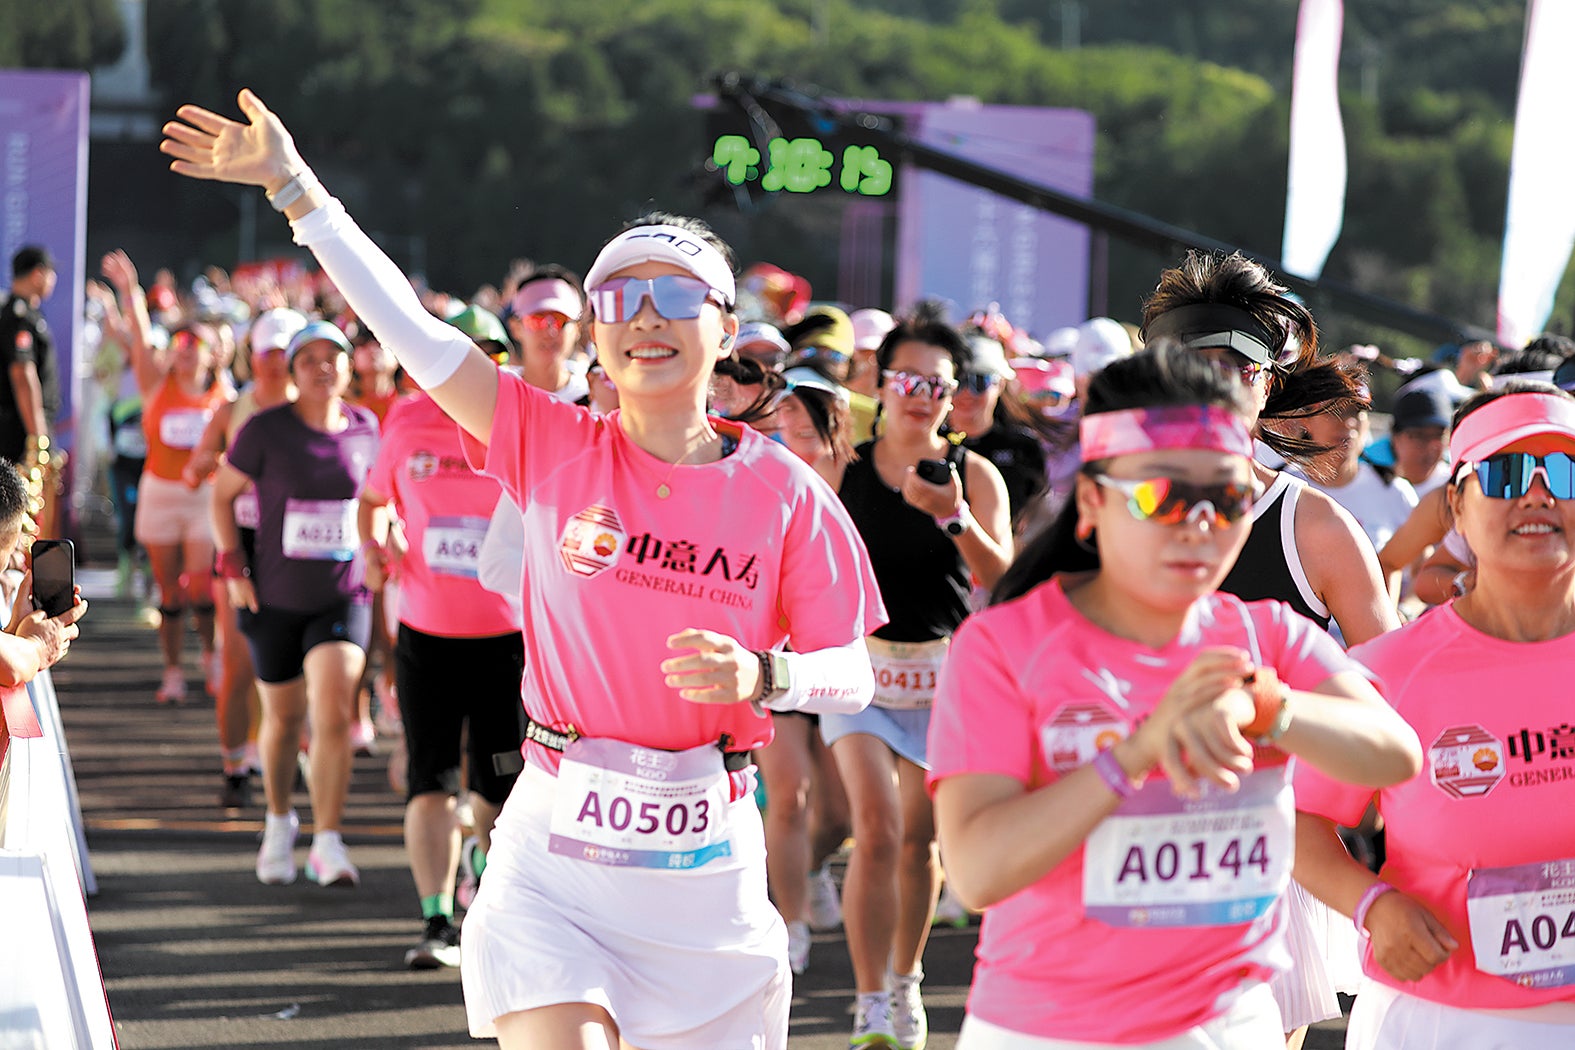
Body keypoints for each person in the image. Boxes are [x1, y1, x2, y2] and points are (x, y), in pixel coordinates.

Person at [161, 88, 885, 1049]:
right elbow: (414, 339)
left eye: (674, 296)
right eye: (619, 301)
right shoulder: (551, 442)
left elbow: (852, 672)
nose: (645, 320)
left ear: (722, 326)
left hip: (707, 869)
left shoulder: (786, 491)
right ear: (595, 332)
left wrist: (768, 675)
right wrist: (299, 194)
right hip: (557, 854)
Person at [931, 344, 1423, 1049]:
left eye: (1224, 498)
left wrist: (1267, 706)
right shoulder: (1004, 645)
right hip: (1052, 1029)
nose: (1198, 523)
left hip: (1230, 1025)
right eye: (1162, 494)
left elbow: (1393, 754)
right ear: (1094, 501)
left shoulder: (1264, 638)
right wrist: (1133, 754)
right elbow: (977, 871)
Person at [1295, 382, 1575, 1048]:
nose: (1536, 495)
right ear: (1455, 504)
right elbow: (1297, 817)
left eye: (1563, 471)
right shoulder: (1392, 670)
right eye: (1506, 473)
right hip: (1443, 1020)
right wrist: (1372, 906)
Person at [821, 304, 1014, 1049]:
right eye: (905, 377)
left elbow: (1005, 580)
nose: (919, 393)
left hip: (945, 681)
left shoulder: (976, 473)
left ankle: (904, 979)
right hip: (861, 675)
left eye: (935, 382)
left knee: (918, 844)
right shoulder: (843, 467)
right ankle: (869, 1000)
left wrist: (955, 516)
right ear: (880, 379)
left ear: (953, 392)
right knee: (875, 826)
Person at [358, 340, 525, 970]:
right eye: (467, 354)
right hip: (426, 634)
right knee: (430, 783)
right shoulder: (408, 424)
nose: (476, 368)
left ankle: (493, 886)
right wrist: (377, 548)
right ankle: (436, 920)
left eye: (490, 356)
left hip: (507, 640)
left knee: (498, 789)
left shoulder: (520, 424)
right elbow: (373, 502)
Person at [210, 319, 381, 888]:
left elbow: (378, 500)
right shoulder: (264, 430)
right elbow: (221, 496)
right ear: (292, 369)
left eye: (331, 357)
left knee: (333, 709)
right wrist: (233, 567)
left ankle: (329, 841)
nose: (321, 368)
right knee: (283, 720)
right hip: (274, 596)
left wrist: (386, 535)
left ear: (348, 366)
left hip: (343, 594)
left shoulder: (366, 429)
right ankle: (280, 821)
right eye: (308, 359)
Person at [750, 370, 859, 974]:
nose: (786, 426)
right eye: (779, 416)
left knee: (840, 813)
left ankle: (812, 867)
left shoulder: (865, 480)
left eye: (798, 415)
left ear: (831, 419)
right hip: (783, 661)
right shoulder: (763, 474)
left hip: (843, 663)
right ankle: (788, 923)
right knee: (787, 796)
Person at [186, 306, 306, 808]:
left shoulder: (321, 408)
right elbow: (194, 472)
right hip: (241, 544)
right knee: (237, 664)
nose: (274, 363)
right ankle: (235, 764)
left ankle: (286, 752)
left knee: (297, 668)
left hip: (299, 549)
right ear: (252, 357)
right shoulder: (234, 408)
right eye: (266, 353)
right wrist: (216, 464)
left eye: (284, 353)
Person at [103, 249, 233, 705]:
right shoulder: (157, 388)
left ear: (211, 353)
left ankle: (213, 657)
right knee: (168, 591)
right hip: (160, 492)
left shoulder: (223, 396)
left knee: (201, 588)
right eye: (178, 345)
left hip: (202, 499)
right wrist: (129, 292)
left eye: (192, 345)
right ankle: (173, 671)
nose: (182, 352)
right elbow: (139, 338)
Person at [949, 332, 1049, 531]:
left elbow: (1036, 515)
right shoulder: (930, 443)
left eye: (980, 381)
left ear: (1001, 384)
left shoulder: (1024, 447)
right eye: (960, 381)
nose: (968, 392)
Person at [0, 246, 60, 477]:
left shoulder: (28, 314)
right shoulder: (18, 317)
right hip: (19, 436)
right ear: (38, 273)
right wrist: (38, 440)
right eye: (51, 273)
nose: (53, 280)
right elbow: (22, 376)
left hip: (24, 431)